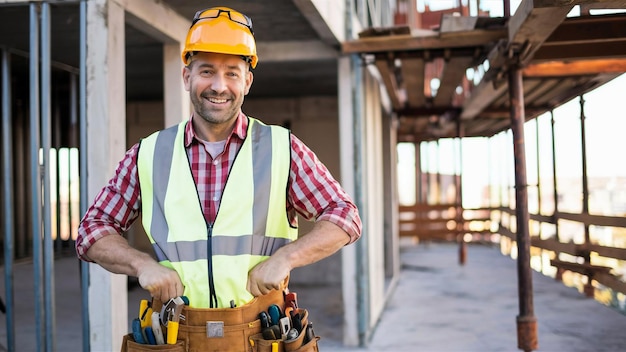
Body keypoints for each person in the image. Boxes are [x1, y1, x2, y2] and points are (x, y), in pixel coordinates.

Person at [76, 6, 361, 350]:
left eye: (232, 73)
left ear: (248, 81)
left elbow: (345, 216)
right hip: (177, 334)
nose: (219, 85)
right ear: (186, 77)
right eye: (206, 71)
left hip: (262, 334)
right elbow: (92, 231)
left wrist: (286, 258)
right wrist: (142, 265)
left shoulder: (281, 148)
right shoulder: (149, 154)